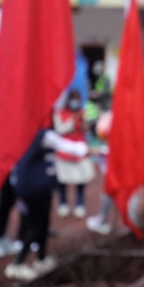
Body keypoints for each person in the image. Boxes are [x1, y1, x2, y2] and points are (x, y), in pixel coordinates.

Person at [5, 127, 86, 281]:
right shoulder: (42, 134)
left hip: (39, 187)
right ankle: (17, 263)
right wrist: (83, 147)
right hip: (32, 187)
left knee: (43, 224)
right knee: (35, 225)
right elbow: (65, 145)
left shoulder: (32, 132)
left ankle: (41, 258)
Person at [54, 89, 92, 218]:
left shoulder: (82, 113)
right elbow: (60, 129)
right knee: (62, 180)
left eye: (77, 99)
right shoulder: (60, 114)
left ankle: (80, 204)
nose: (75, 102)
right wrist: (72, 120)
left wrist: (84, 120)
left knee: (81, 180)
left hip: (79, 151)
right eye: (73, 99)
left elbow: (87, 130)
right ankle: (63, 203)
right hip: (64, 151)